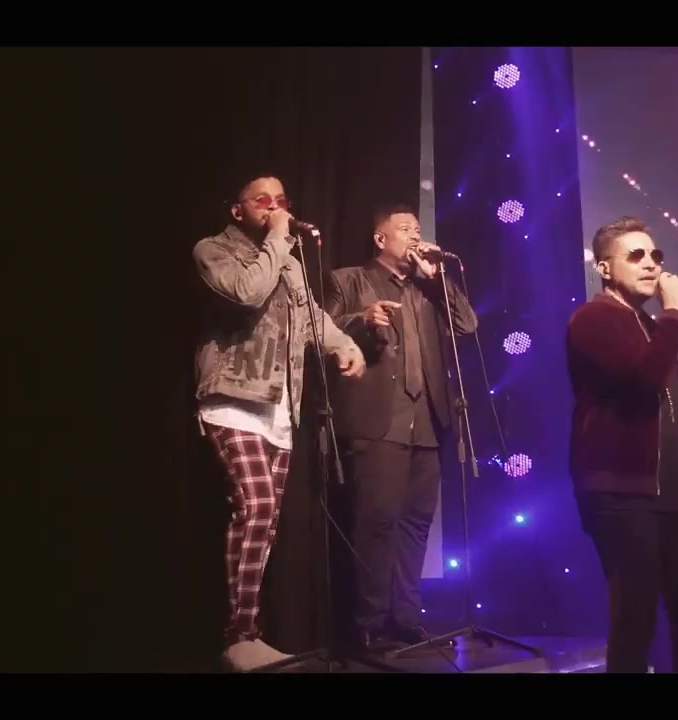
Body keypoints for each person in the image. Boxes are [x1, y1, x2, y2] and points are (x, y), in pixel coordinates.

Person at [192, 174, 367, 672]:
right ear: (238, 210)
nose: (274, 207)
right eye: (263, 200)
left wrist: (344, 345)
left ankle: (249, 634)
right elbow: (247, 293)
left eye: (282, 201)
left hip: (280, 408)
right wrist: (277, 238)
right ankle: (238, 636)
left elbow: (311, 317)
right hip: (232, 397)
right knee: (257, 504)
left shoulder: (287, 258)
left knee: (265, 522)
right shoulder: (213, 250)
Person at [565, 215, 678, 673]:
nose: (651, 263)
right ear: (604, 267)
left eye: (656, 254)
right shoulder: (593, 319)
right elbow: (642, 383)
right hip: (621, 491)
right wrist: (674, 313)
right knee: (636, 616)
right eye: (636, 255)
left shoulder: (653, 327)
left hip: (674, 495)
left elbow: (666, 408)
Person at [325, 204, 477, 653]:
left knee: (416, 524)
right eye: (405, 229)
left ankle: (406, 619)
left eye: (418, 229)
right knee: (377, 522)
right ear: (380, 238)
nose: (415, 236)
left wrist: (437, 278)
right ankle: (368, 623)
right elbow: (320, 331)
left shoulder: (428, 288)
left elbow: (468, 325)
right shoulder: (349, 280)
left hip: (427, 421)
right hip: (378, 421)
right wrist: (360, 321)